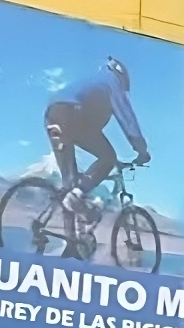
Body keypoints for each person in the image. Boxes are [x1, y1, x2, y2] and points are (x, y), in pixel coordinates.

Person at [45, 57, 150, 214]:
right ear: (121, 76)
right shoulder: (111, 83)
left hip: (52, 115)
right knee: (108, 158)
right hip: (74, 114)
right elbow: (127, 119)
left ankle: (70, 237)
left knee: (69, 188)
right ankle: (76, 195)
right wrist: (141, 150)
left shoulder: (93, 83)